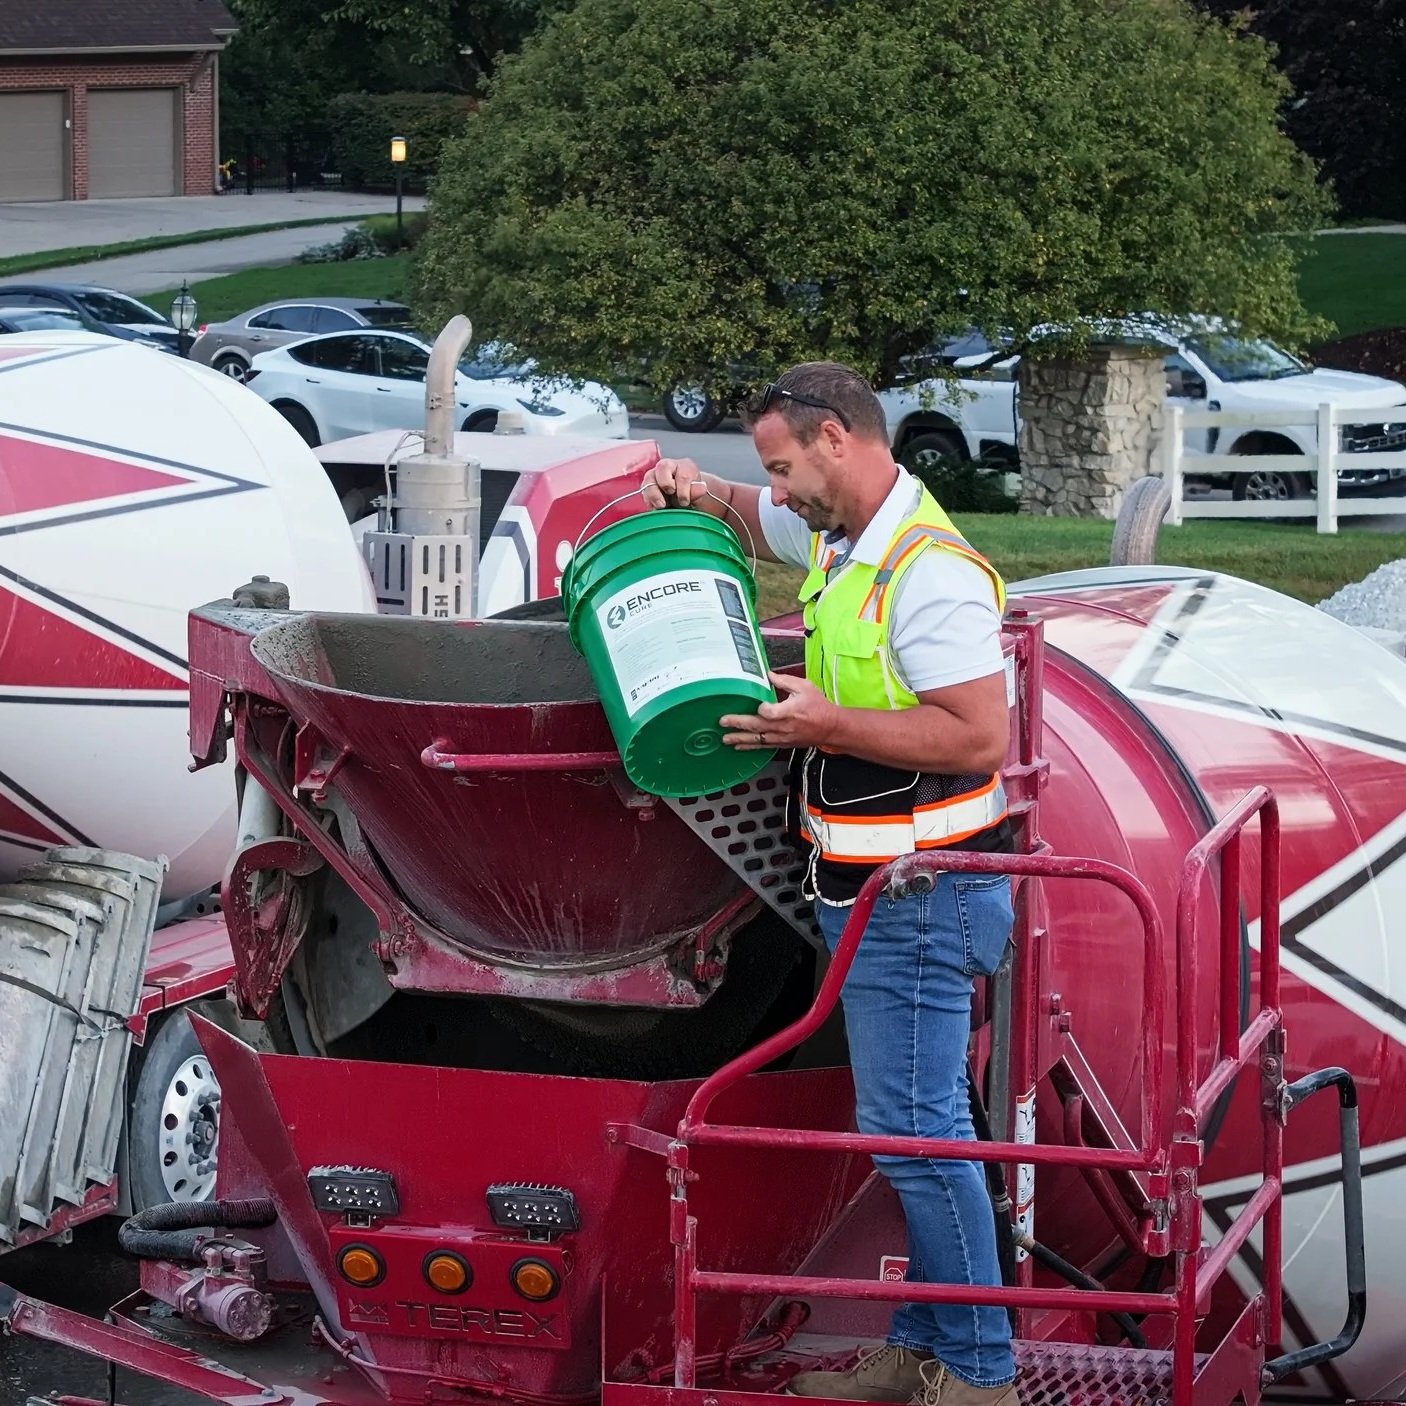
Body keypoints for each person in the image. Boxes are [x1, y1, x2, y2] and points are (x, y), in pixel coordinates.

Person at [641, 363, 1021, 1406]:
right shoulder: (838, 531)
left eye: (781, 467)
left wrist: (825, 723)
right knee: (913, 1126)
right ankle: (917, 1343)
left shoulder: (925, 570)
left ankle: (980, 1376)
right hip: (871, 885)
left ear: (835, 439)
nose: (777, 489)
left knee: (916, 1134)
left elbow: (979, 732)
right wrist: (699, 491)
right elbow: (756, 518)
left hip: (918, 891)